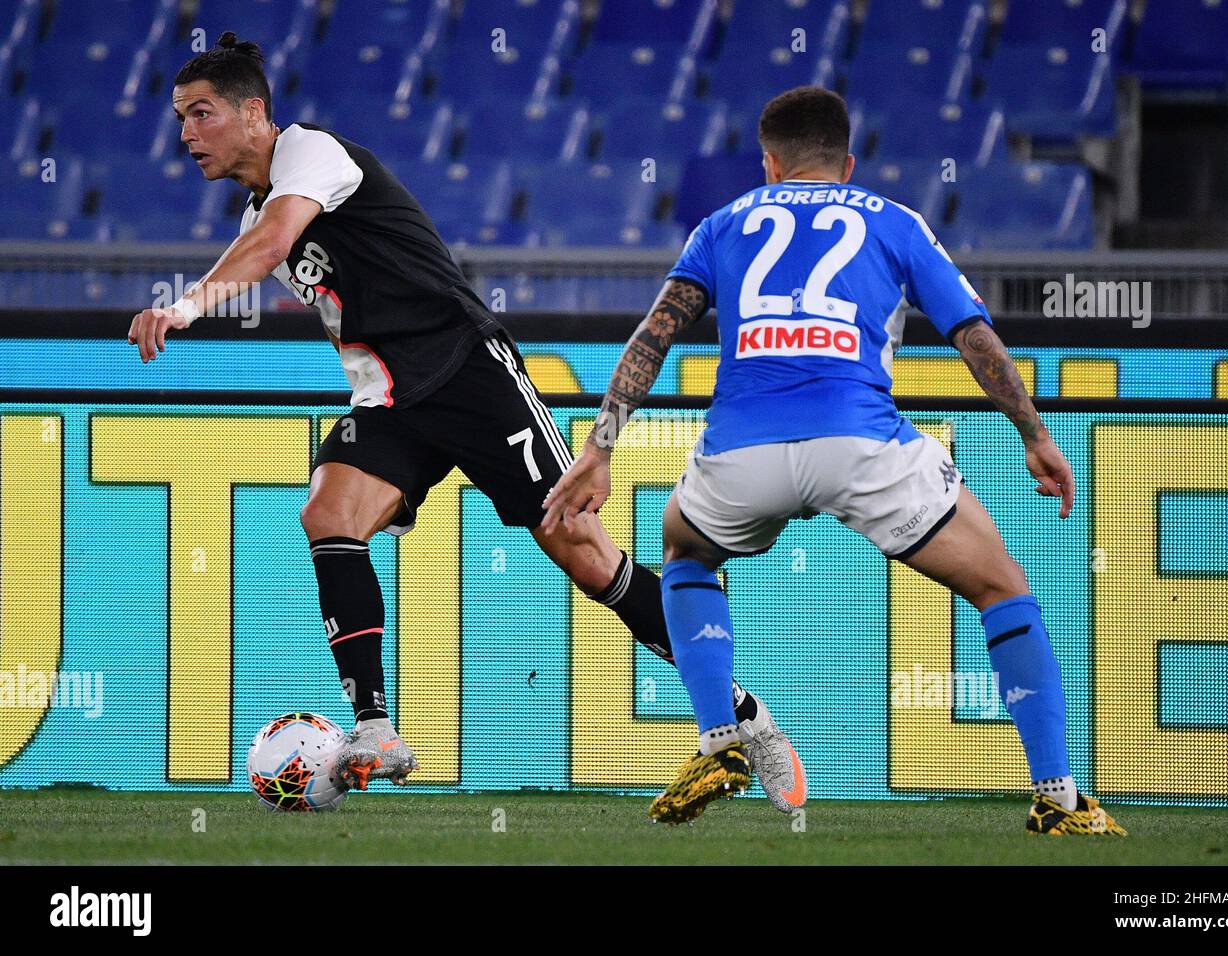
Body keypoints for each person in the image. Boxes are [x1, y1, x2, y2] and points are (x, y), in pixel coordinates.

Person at [126, 32, 805, 809]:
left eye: (201, 114)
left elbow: (274, 241)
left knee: (586, 557)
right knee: (327, 513)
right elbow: (267, 239)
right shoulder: (259, 206)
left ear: (254, 113)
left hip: (469, 375)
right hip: (390, 401)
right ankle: (376, 728)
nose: (184, 134)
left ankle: (745, 717)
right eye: (179, 118)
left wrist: (180, 306)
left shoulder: (309, 155)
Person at [543, 86, 1126, 835]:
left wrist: (600, 447)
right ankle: (1060, 797)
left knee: (684, 555)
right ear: (846, 164)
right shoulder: (897, 222)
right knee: (1004, 590)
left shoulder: (722, 224)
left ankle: (720, 741)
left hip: (740, 454)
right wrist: (1035, 437)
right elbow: (974, 337)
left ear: (769, 162)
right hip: (863, 448)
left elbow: (653, 336)